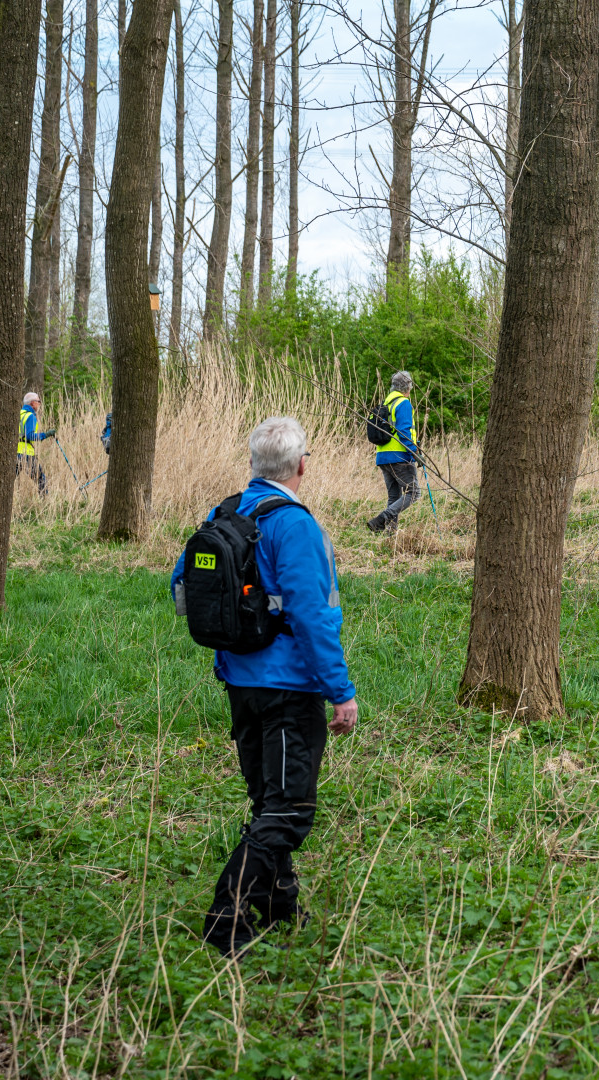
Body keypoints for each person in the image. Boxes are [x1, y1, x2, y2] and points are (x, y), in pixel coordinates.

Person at [171, 416, 359, 957]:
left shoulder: (223, 513)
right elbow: (313, 615)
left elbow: (183, 589)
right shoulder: (294, 524)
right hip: (288, 690)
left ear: (255, 463)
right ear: (302, 465)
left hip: (238, 681)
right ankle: (225, 914)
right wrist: (339, 692)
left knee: (267, 802)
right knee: (289, 811)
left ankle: (279, 901)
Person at [367, 371, 422, 534]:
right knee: (413, 493)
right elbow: (404, 432)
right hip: (399, 456)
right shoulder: (403, 403)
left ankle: (391, 532)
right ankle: (382, 519)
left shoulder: (386, 403)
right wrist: (414, 453)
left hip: (383, 456)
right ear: (408, 387)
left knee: (394, 497)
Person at [16, 392, 54, 495]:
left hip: (14, 453)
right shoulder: (30, 416)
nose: (39, 404)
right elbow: (30, 436)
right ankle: (45, 503)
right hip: (26, 454)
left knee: (9, 480)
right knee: (40, 479)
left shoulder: (18, 414)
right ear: (32, 403)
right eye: (38, 401)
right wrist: (45, 435)